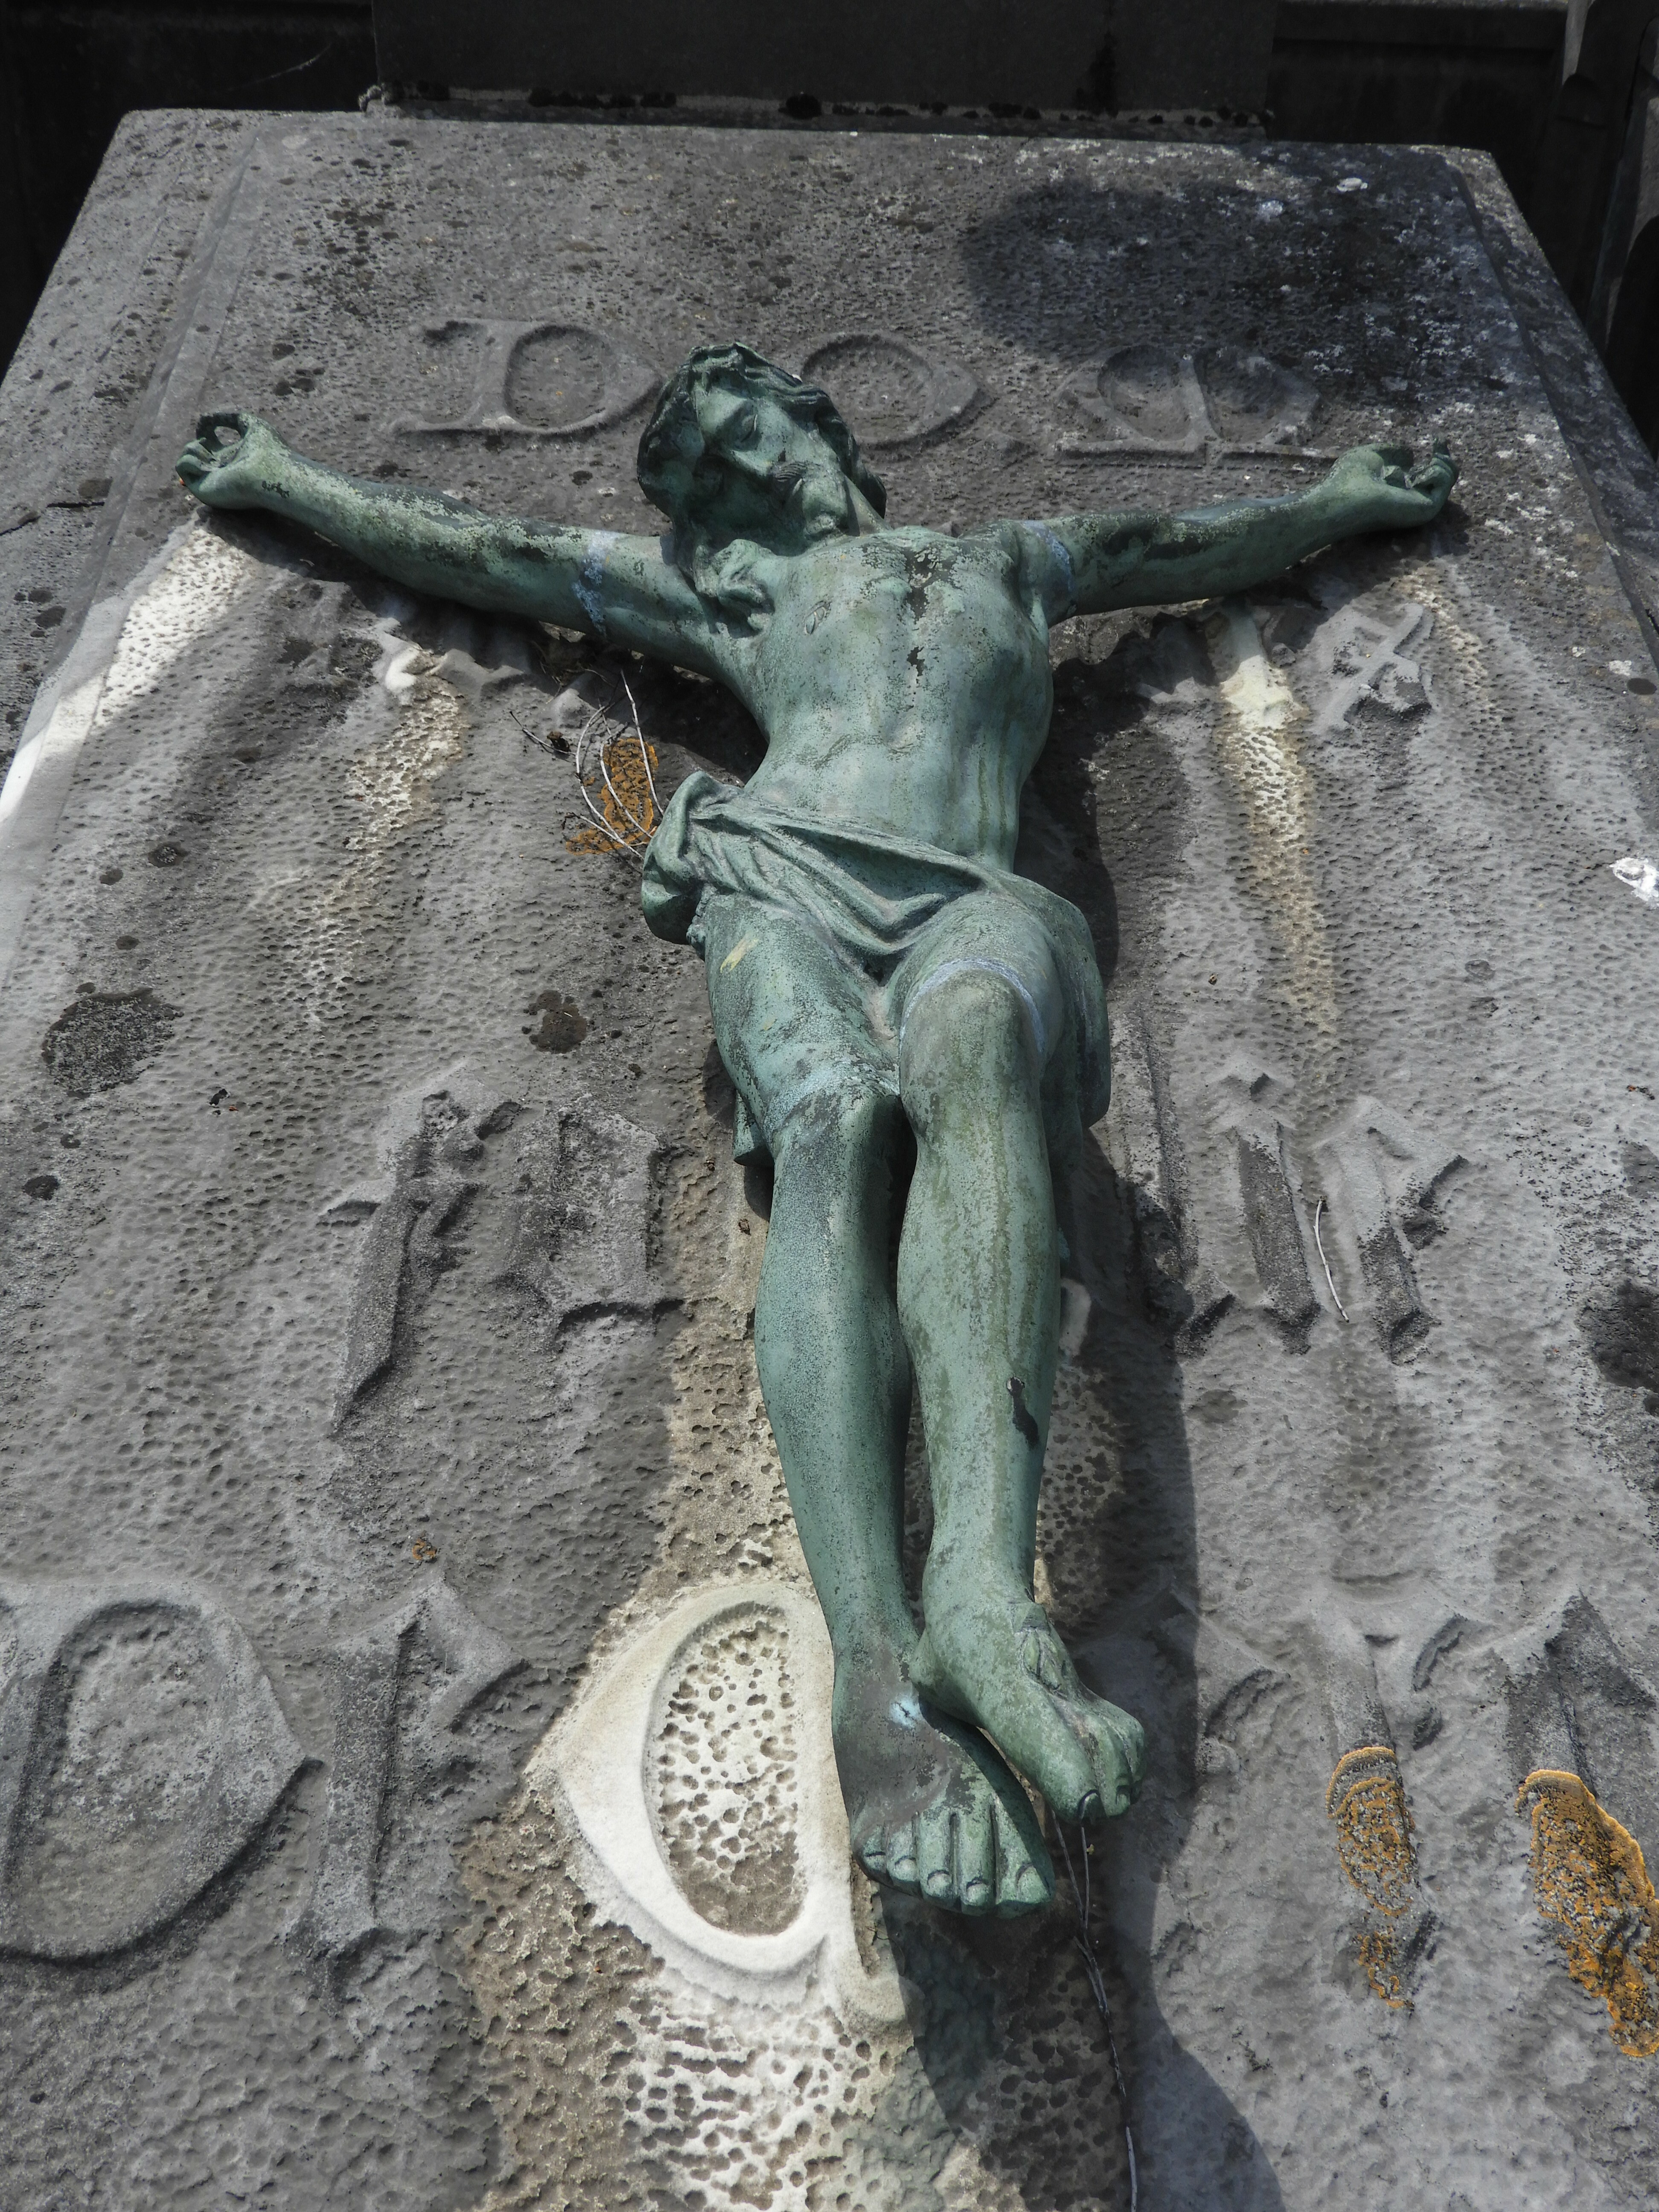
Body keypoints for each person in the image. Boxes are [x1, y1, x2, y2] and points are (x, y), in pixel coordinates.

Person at [178, 343, 1455, 1917]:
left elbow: (1179, 546)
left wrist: (1338, 504)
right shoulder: (740, 601)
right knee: (836, 1123)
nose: (740, 473)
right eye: (707, 472)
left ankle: (983, 1592)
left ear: (816, 424)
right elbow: (494, 556)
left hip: (974, 895)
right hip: (783, 875)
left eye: (747, 433)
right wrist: (287, 482)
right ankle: (877, 1668)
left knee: (981, 1051)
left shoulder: (1012, 563)